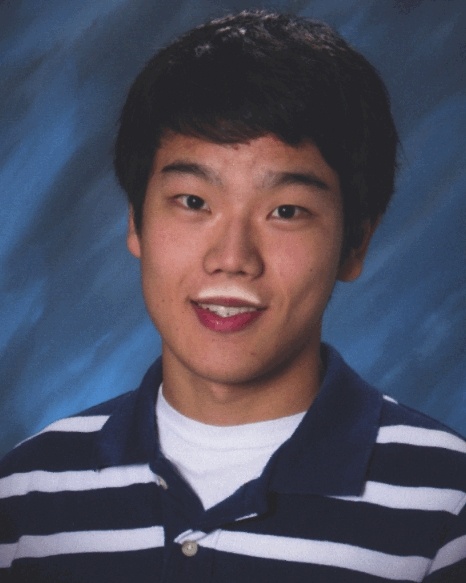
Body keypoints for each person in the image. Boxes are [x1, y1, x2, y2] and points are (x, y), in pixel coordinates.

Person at [0, 10, 465, 582]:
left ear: (354, 245)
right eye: (194, 202)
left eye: (286, 211)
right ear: (135, 224)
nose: (233, 256)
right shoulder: (28, 494)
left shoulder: (446, 505)